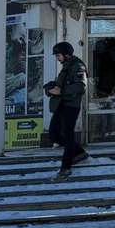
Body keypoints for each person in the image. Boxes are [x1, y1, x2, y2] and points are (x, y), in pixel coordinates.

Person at [45, 41, 89, 178]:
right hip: (61, 105)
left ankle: (66, 167)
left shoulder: (78, 66)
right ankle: (79, 153)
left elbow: (81, 87)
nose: (57, 58)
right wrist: (51, 89)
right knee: (53, 134)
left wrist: (61, 91)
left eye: (58, 55)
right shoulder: (66, 66)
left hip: (70, 106)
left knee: (67, 134)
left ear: (66, 54)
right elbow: (59, 87)